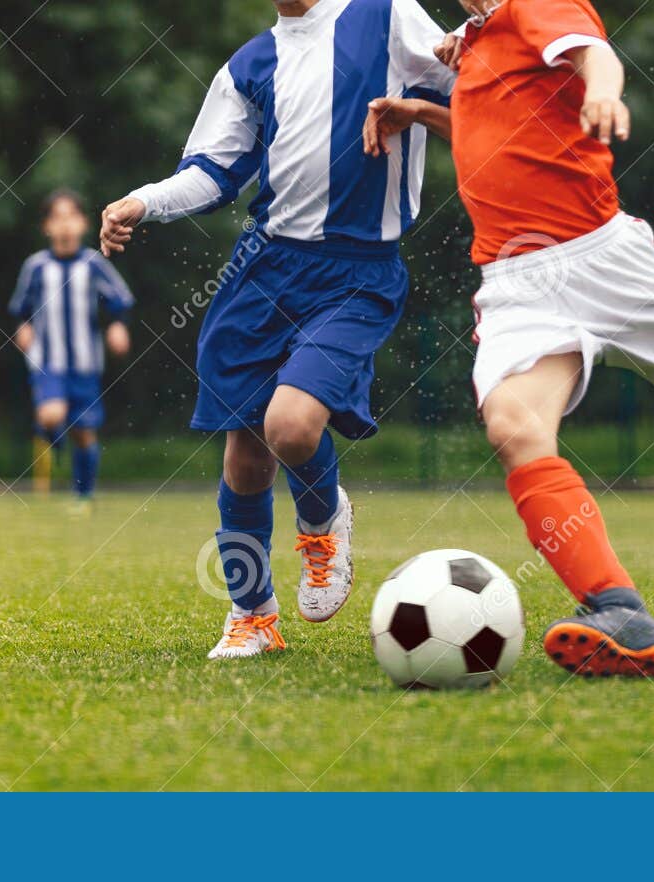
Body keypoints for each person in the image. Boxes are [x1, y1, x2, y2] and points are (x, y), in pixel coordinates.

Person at [377, 0, 654, 677]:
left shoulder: (536, 3)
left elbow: (595, 56)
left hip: (603, 259)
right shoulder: (471, 42)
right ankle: (618, 609)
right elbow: (495, 135)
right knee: (513, 426)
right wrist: (424, 116)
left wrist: (606, 93)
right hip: (517, 283)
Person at [99, 0, 456, 659]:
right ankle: (252, 615)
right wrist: (141, 202)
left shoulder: (386, 15)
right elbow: (213, 173)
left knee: (290, 426)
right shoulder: (249, 65)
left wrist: (468, 56)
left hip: (358, 273)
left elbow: (475, 97)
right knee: (246, 448)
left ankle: (323, 523)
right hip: (263, 271)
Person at [9, 188, 135, 516]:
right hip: (47, 359)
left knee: (84, 432)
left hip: (85, 362)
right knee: (51, 414)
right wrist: (23, 330)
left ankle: (84, 496)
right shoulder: (35, 267)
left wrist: (117, 326)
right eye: (57, 218)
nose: (64, 225)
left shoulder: (94, 264)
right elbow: (21, 309)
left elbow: (119, 299)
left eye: (71, 217)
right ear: (46, 226)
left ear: (82, 223)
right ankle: (52, 433)